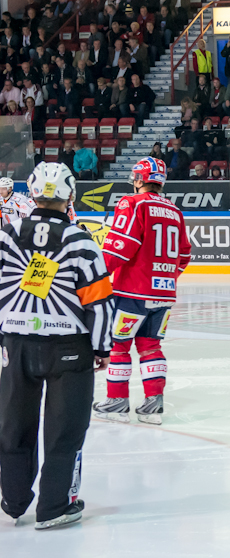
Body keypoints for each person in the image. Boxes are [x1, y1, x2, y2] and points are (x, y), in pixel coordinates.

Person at [0, 162, 114, 530]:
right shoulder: (80, 239)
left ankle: (14, 501)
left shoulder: (7, 233)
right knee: (65, 430)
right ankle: (54, 507)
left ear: (32, 193)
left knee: (13, 424)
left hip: (15, 345)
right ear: (70, 195)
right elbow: (99, 301)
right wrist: (101, 349)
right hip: (68, 347)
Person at [92, 158, 192, 426]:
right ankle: (153, 402)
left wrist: (95, 276)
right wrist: (166, 278)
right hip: (164, 294)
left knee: (119, 345)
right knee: (151, 346)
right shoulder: (174, 211)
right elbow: (184, 254)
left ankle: (116, 400)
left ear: (139, 179)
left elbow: (119, 246)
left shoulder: (132, 203)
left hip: (132, 291)